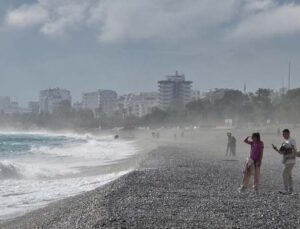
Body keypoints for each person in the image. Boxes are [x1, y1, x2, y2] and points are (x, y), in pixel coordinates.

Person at [272, 129, 297, 195]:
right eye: (282, 134)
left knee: (284, 174)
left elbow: (294, 150)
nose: (283, 135)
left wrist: (291, 156)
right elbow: (281, 152)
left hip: (291, 160)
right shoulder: (285, 141)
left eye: (284, 134)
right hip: (286, 161)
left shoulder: (292, 141)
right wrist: (276, 149)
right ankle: (290, 190)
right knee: (289, 176)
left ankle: (286, 189)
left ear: (288, 133)